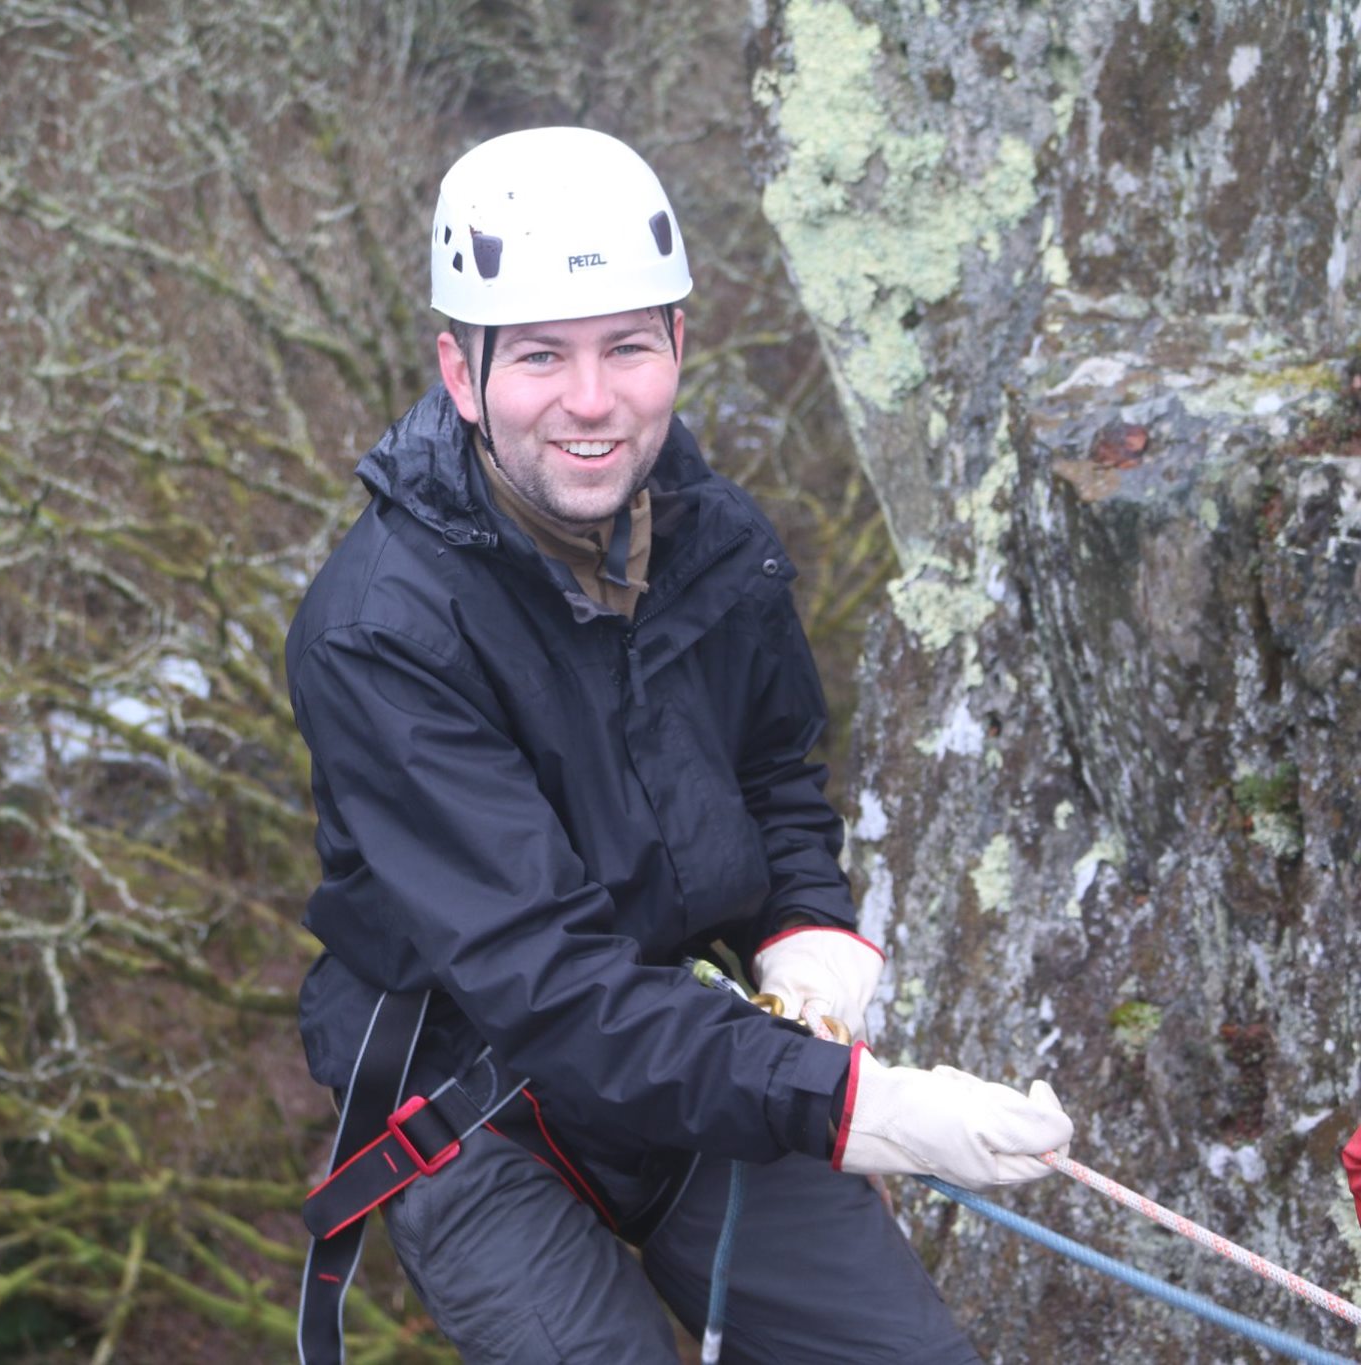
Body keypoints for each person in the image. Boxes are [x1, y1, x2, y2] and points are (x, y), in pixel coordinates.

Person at [286, 126, 1074, 1365]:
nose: (590, 401)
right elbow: (549, 985)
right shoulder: (380, 632)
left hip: (694, 1065)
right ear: (457, 368)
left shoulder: (716, 542)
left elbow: (773, 775)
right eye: (540, 355)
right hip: (481, 1112)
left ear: (679, 347)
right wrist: (867, 1109)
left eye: (625, 348)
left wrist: (804, 929)